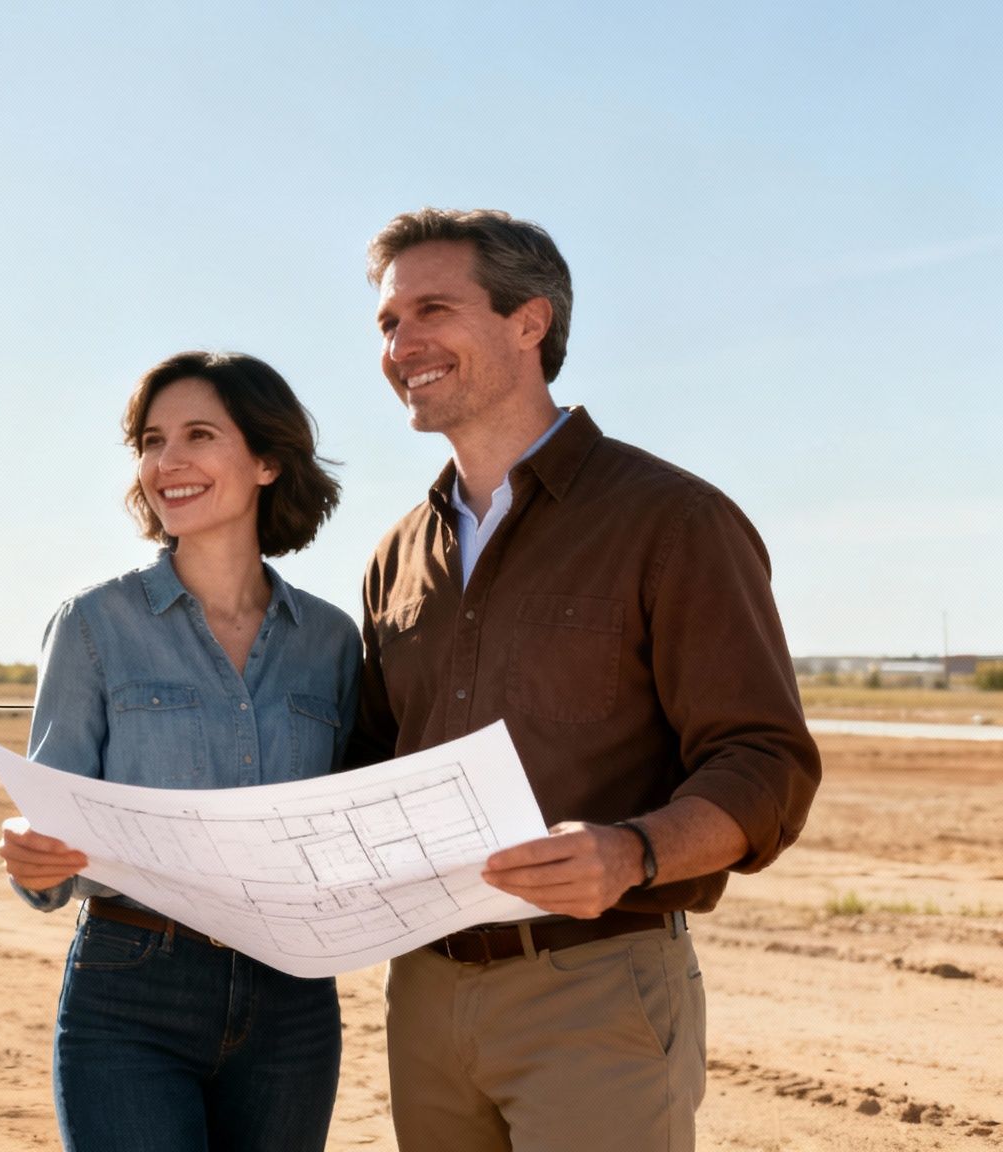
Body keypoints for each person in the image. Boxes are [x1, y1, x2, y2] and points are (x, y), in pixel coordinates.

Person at [350, 208, 821, 1151]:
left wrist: (631, 852)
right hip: (424, 999)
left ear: (530, 320)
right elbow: (366, 766)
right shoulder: (396, 556)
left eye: (433, 309)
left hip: (596, 992)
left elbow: (765, 762)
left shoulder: (673, 521)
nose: (402, 345)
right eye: (389, 323)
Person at [0, 351, 362, 1152]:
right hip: (132, 988)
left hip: (293, 1000)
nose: (169, 462)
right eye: (152, 441)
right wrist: (35, 857)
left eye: (199, 435)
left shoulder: (332, 642)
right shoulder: (94, 625)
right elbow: (50, 827)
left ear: (267, 461)